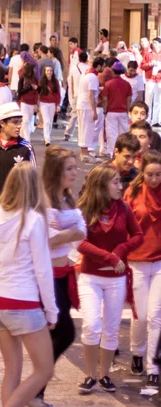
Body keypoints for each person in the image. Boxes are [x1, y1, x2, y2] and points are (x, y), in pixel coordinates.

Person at [0, 162, 57, 407]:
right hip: (23, 304)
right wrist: (51, 309)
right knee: (44, 370)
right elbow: (43, 270)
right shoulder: (34, 220)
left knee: (12, 372)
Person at [76, 164, 143, 393]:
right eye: (115, 182)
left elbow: (138, 236)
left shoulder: (123, 207)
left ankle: (104, 375)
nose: (120, 186)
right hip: (90, 277)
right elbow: (80, 243)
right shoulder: (84, 208)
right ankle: (90, 375)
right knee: (91, 325)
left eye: (119, 181)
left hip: (116, 279)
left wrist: (120, 251)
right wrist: (109, 257)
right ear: (101, 185)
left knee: (111, 329)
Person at [33, 146, 86, 406]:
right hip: (48, 275)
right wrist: (70, 233)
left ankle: (37, 391)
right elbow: (49, 240)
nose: (75, 173)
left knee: (56, 334)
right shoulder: (44, 199)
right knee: (64, 332)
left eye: (75, 168)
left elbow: (83, 231)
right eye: (70, 169)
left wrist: (67, 233)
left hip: (65, 274)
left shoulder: (67, 198)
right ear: (56, 171)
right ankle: (36, 386)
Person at [124, 151, 161, 390]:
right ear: (142, 172)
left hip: (159, 262)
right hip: (136, 260)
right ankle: (137, 352)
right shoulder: (132, 193)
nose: (155, 179)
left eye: (159, 174)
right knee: (140, 316)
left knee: (155, 315)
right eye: (150, 174)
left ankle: (152, 366)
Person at [77, 57, 105, 162]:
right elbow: (91, 95)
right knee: (87, 129)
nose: (104, 68)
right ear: (98, 66)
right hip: (87, 106)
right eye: (103, 66)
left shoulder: (86, 74)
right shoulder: (93, 77)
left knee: (84, 128)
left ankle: (85, 152)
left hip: (82, 105)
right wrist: (94, 111)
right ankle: (84, 153)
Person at [101, 62, 132, 156]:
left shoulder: (108, 84)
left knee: (111, 134)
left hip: (111, 112)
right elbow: (129, 99)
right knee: (124, 133)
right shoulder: (127, 84)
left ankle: (113, 153)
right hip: (123, 112)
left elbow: (105, 99)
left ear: (113, 71)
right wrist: (128, 111)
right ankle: (124, 152)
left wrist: (105, 111)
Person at [65, 52, 90, 141]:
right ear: (87, 59)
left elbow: (71, 82)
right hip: (86, 94)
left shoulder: (73, 68)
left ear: (79, 58)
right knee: (85, 116)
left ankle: (68, 133)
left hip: (76, 94)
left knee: (75, 114)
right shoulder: (89, 69)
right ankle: (82, 135)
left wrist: (71, 93)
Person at [38, 66, 61, 146]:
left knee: (50, 121)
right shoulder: (41, 81)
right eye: (47, 70)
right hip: (43, 103)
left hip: (52, 103)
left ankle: (48, 136)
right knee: (46, 121)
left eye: (51, 70)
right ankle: (46, 138)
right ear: (45, 72)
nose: (49, 72)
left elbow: (58, 93)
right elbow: (38, 92)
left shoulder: (56, 81)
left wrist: (58, 104)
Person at [17, 62, 39, 142]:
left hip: (32, 103)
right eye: (34, 69)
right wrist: (30, 87)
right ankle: (27, 140)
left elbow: (37, 92)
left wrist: (36, 104)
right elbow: (20, 91)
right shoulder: (22, 78)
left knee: (27, 122)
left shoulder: (35, 79)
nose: (35, 70)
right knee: (25, 121)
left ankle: (20, 137)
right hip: (24, 102)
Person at [141, 37, 161, 125]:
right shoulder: (148, 54)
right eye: (153, 43)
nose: (154, 45)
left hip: (159, 78)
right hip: (150, 79)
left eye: (156, 43)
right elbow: (142, 66)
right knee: (148, 99)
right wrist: (150, 64)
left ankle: (157, 120)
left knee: (158, 100)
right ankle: (147, 119)